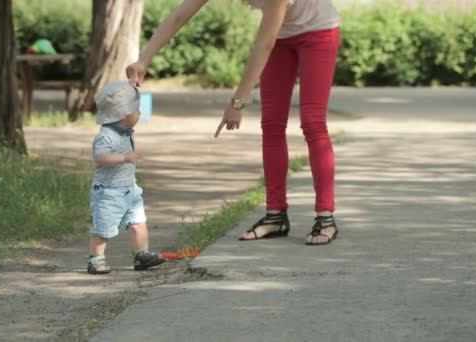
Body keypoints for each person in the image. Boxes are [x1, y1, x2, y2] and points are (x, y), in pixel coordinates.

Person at [127, 0, 341, 246]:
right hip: (280, 37)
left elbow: (264, 44)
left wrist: (238, 102)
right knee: (271, 124)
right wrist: (144, 59)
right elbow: (180, 15)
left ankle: (325, 217)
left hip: (318, 33)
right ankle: (275, 215)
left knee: (312, 123)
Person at [87, 81, 165, 274]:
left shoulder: (125, 132)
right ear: (123, 114)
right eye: (137, 110)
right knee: (103, 228)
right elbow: (100, 157)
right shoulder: (106, 135)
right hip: (109, 191)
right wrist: (123, 157)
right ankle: (96, 259)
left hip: (130, 189)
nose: (139, 113)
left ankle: (142, 255)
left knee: (139, 223)